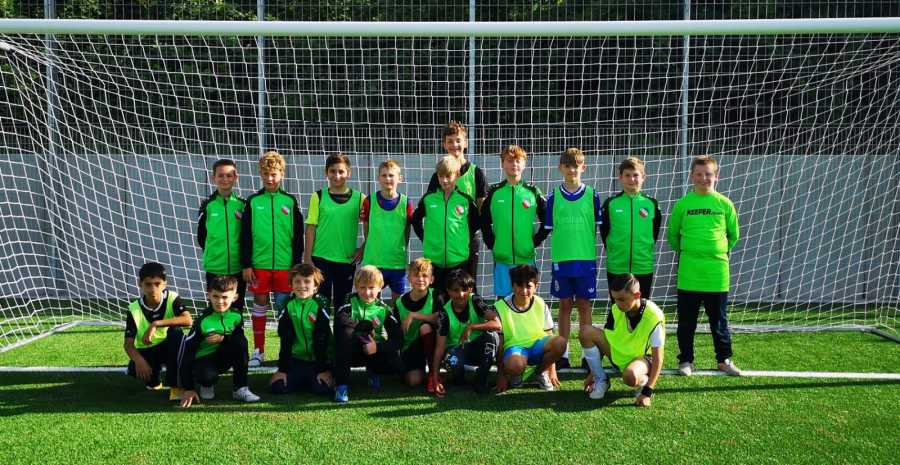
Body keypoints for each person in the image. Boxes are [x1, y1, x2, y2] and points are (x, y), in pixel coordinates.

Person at [668, 155, 742, 377]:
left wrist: (716, 252)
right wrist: (691, 252)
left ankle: (724, 360)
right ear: (692, 176)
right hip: (689, 273)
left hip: (717, 273)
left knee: (719, 322)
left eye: (708, 174)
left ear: (716, 176)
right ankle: (686, 360)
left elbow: (733, 235)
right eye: (699, 174)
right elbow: (673, 236)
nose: (703, 178)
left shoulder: (724, 204)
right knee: (686, 322)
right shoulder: (683, 204)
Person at [240, 150, 304, 367]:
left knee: (284, 307)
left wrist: (296, 263)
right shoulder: (253, 202)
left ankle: (288, 350)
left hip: (286, 266)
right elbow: (245, 235)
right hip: (259, 265)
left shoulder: (290, 201)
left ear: (282, 174)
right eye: (266, 174)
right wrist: (247, 264)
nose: (270, 178)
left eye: (274, 174)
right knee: (259, 303)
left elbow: (298, 236)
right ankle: (258, 350)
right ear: (261, 174)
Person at [545, 147, 603, 368]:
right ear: (561, 168)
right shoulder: (553, 196)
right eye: (568, 166)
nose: (572, 170)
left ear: (583, 167)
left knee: (585, 305)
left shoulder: (592, 195)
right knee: (565, 305)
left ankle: (588, 356)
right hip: (562, 260)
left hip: (585, 260)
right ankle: (563, 354)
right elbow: (548, 228)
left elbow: (599, 228)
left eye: (576, 166)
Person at [580, 274, 665, 407]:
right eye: (615, 299)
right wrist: (593, 373)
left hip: (642, 359)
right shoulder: (616, 309)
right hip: (617, 354)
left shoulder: (654, 316)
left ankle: (643, 382)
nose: (618, 303)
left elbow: (658, 358)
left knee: (630, 376)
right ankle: (601, 380)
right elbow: (607, 338)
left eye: (621, 299)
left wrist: (647, 392)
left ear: (637, 295)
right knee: (586, 332)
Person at [178, 275, 260, 408]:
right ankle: (206, 384)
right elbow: (187, 353)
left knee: (241, 342)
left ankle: (240, 388)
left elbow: (238, 340)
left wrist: (223, 338)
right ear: (209, 295)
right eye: (216, 296)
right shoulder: (203, 320)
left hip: (224, 356)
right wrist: (188, 388)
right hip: (204, 359)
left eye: (225, 297)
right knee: (207, 376)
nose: (220, 301)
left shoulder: (236, 316)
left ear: (235, 297)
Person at [481, 144, 548, 298]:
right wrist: (492, 243)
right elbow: (483, 221)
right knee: (503, 302)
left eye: (518, 161)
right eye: (510, 161)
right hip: (502, 260)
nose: (514, 164)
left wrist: (534, 241)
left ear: (524, 164)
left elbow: (547, 220)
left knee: (526, 300)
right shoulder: (494, 192)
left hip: (526, 259)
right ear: (502, 164)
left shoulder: (532, 192)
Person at [427, 121, 487, 283]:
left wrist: (467, 233)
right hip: (443, 243)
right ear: (444, 145)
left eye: (458, 140)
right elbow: (430, 207)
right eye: (450, 141)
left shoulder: (476, 173)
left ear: (466, 143)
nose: (455, 145)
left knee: (467, 285)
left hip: (468, 240)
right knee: (440, 287)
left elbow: (481, 210)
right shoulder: (438, 175)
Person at [332, 266, 404, 403]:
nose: (367, 292)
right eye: (362, 287)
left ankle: (373, 370)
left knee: (397, 364)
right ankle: (342, 384)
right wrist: (364, 330)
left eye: (371, 287)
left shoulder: (383, 309)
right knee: (346, 333)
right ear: (356, 286)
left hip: (373, 351)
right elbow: (340, 320)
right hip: (352, 351)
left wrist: (377, 347)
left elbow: (398, 339)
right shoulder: (349, 301)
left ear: (380, 287)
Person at [304, 153, 364, 311]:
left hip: (346, 260)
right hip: (320, 259)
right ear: (326, 172)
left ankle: (341, 329)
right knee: (320, 306)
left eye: (341, 171)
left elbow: (371, 227)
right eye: (332, 171)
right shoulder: (318, 196)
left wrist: (363, 248)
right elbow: (310, 228)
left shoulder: (360, 199)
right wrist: (307, 258)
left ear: (348, 173)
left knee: (342, 307)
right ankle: (321, 329)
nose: (337, 175)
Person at [491, 264, 566, 392]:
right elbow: (500, 343)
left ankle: (540, 372)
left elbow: (549, 334)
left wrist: (552, 370)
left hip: (539, 347)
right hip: (515, 349)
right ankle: (516, 374)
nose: (524, 290)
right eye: (519, 285)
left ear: (536, 286)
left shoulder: (540, 303)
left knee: (561, 342)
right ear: (512, 286)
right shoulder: (499, 307)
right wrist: (501, 375)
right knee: (515, 365)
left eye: (528, 286)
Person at [123, 262, 192, 401]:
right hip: (149, 350)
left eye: (157, 284)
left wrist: (156, 324)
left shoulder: (172, 298)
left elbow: (188, 320)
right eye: (148, 284)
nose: (153, 289)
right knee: (135, 368)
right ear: (140, 284)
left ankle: (176, 386)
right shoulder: (133, 308)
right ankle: (154, 379)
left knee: (176, 333)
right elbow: (128, 344)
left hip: (169, 347)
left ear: (165, 284)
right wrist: (139, 361)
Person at [412, 156, 480, 294]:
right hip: (434, 262)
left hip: (459, 262)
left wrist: (462, 240)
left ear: (457, 175)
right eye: (441, 176)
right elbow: (415, 219)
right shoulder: (428, 199)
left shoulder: (465, 200)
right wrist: (425, 238)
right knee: (437, 300)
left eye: (448, 176)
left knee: (459, 299)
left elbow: (476, 223)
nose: (444, 180)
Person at [600, 156, 662, 299]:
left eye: (635, 175)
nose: (632, 179)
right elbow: (604, 232)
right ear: (620, 177)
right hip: (617, 266)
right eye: (627, 175)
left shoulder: (651, 204)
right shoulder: (610, 203)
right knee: (618, 307)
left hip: (643, 266)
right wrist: (615, 248)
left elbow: (654, 233)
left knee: (642, 306)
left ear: (643, 177)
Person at [431, 269, 500, 396]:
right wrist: (435, 379)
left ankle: (481, 379)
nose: (461, 294)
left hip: (478, 348)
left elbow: (497, 324)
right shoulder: (444, 313)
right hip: (457, 350)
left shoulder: (475, 300)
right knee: (453, 363)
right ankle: (459, 377)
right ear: (448, 291)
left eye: (465, 289)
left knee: (492, 336)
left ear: (470, 289)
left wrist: (472, 327)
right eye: (456, 290)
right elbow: (439, 348)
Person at [269, 264, 334, 397]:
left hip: (318, 360)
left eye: (307, 281)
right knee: (277, 387)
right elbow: (285, 337)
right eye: (297, 281)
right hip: (296, 360)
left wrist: (322, 369)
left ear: (315, 286)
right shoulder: (288, 303)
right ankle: (302, 378)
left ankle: (320, 376)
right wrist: (282, 369)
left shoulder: (321, 303)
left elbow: (321, 338)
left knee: (323, 389)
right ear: (291, 284)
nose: (302, 285)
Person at [360, 159, 413, 306]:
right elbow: (366, 228)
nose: (387, 179)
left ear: (400, 178)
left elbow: (407, 230)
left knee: (398, 305)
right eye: (384, 175)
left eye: (391, 175)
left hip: (397, 262)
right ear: (378, 178)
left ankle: (395, 321)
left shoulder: (406, 202)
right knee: (372, 304)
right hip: (374, 261)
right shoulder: (369, 201)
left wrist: (400, 248)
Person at [197, 158, 247, 310]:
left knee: (236, 308)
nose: (225, 179)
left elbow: (247, 235)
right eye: (221, 175)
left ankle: (237, 327)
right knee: (216, 308)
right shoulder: (207, 206)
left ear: (236, 178)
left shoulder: (243, 205)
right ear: (214, 178)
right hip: (215, 267)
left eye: (229, 175)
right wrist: (214, 252)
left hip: (237, 267)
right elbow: (201, 236)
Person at [394, 258, 441, 392]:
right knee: (413, 381)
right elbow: (397, 332)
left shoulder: (436, 295)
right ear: (409, 278)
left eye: (425, 275)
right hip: (411, 345)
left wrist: (414, 315)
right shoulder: (400, 302)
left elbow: (440, 319)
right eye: (416, 275)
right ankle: (421, 371)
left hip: (435, 344)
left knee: (425, 327)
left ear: (431, 279)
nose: (420, 279)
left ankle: (433, 373)